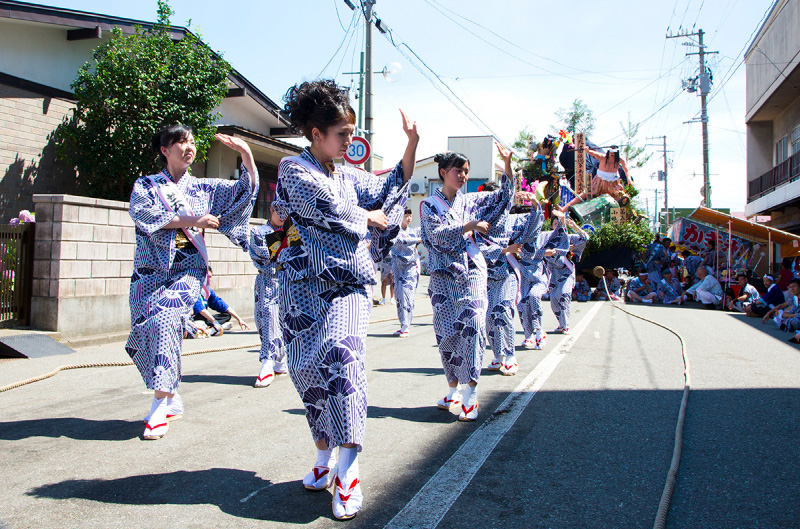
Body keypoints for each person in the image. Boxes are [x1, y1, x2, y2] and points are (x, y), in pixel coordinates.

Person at [274, 79, 418, 520]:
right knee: (306, 372)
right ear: (316, 133)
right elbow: (326, 208)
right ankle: (324, 455)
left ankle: (349, 470)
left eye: (352, 133)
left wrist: (412, 144)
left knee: (343, 358)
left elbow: (392, 182)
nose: (349, 142)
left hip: (348, 284)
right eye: (342, 134)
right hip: (301, 286)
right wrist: (367, 216)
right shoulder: (293, 168)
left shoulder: (348, 175)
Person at [127, 124, 257, 440]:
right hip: (149, 272)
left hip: (187, 271)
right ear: (164, 150)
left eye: (192, 142)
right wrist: (194, 220)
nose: (189, 147)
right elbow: (146, 217)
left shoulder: (203, 188)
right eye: (181, 142)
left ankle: (159, 405)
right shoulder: (146, 186)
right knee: (145, 330)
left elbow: (244, 190)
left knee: (165, 320)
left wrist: (245, 153)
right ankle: (170, 393)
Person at [420, 143, 513, 422]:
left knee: (473, 324)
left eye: (466, 171)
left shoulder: (470, 201)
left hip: (471, 270)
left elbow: (503, 197)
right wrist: (468, 226)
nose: (463, 176)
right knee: (447, 334)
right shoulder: (428, 205)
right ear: (443, 172)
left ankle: (471, 393)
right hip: (442, 275)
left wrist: (508, 166)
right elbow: (436, 236)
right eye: (458, 171)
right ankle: (453, 389)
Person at [477, 187, 543, 376]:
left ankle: (510, 355)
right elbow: (478, 248)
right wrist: (506, 249)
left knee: (504, 311)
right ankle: (498, 355)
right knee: (489, 317)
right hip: (487, 275)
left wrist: (535, 203)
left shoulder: (513, 219)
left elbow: (533, 225)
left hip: (507, 272)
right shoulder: (478, 222)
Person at [249, 205, 288, 388]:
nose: (282, 216)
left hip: (288, 282)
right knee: (266, 321)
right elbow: (268, 256)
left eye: (286, 213)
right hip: (268, 281)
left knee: (285, 322)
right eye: (279, 211)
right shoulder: (258, 232)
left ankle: (277, 360)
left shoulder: (293, 231)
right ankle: (269, 360)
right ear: (271, 209)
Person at [544, 210, 589, 333]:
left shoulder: (569, 237)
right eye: (555, 224)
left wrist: (575, 227)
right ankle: (561, 322)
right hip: (553, 272)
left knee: (563, 294)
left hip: (566, 270)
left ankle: (566, 324)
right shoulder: (547, 237)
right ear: (551, 226)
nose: (557, 226)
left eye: (560, 223)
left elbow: (585, 238)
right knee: (554, 299)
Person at [558, 146, 631, 211]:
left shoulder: (620, 159)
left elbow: (626, 169)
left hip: (613, 184)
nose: (612, 154)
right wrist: (588, 151)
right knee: (584, 194)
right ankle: (564, 209)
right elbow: (594, 153)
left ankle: (618, 217)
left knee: (619, 198)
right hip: (599, 181)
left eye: (614, 152)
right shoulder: (603, 157)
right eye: (611, 152)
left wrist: (629, 179)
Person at [191, 267, 251, 335]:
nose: (208, 279)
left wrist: (239, 319)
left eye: (210, 277)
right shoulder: (195, 290)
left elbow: (224, 306)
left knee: (227, 315)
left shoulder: (208, 291)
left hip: (204, 319)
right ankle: (215, 327)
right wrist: (214, 321)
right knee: (203, 317)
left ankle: (213, 327)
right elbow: (201, 310)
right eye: (206, 276)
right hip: (194, 317)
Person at [391, 208, 422, 337]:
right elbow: (400, 240)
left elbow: (426, 233)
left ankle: (406, 326)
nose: (409, 218)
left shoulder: (414, 231)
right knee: (399, 297)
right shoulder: (394, 231)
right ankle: (402, 324)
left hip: (411, 267)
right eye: (406, 215)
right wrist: (417, 240)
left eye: (410, 215)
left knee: (407, 295)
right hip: (397, 267)